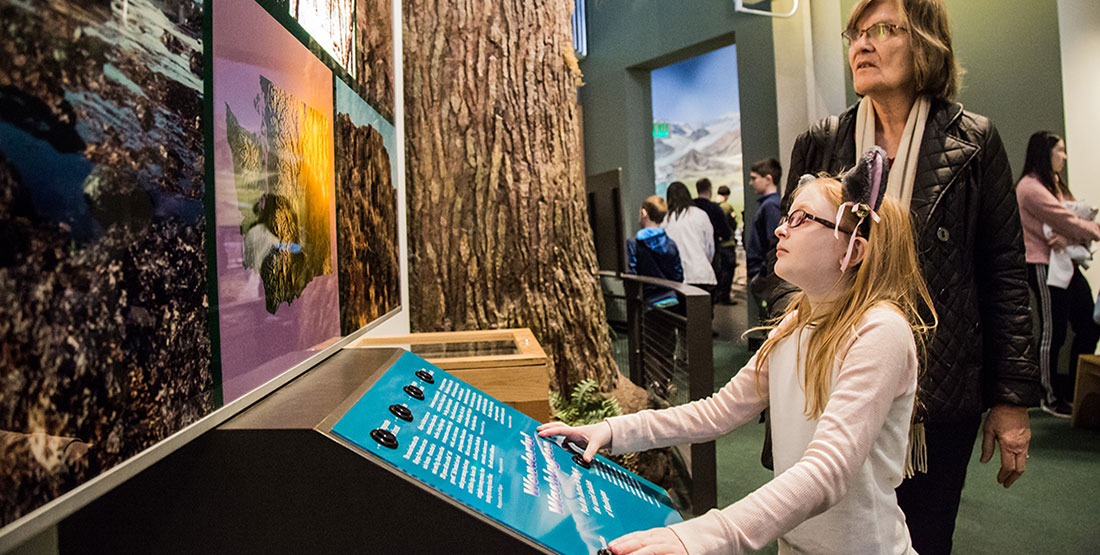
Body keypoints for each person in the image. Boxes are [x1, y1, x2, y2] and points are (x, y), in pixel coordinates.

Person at [540, 152, 935, 554]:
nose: (781, 230)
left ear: (851, 251)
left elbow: (828, 470)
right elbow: (719, 410)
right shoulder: (795, 321)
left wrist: (706, 535)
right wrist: (611, 431)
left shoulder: (879, 330)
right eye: (787, 217)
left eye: (801, 219)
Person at [760, 1, 1040, 552]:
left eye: (883, 30)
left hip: (934, 393)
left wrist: (1011, 400)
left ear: (926, 43)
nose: (862, 45)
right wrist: (783, 371)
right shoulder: (821, 140)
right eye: (856, 33)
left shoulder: (974, 143)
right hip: (828, 384)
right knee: (819, 534)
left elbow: (1004, 273)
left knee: (923, 538)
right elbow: (785, 272)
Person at [1016, 131, 1100, 418]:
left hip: (1065, 263)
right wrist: (1093, 231)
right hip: (1044, 265)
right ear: (1045, 153)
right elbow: (1065, 219)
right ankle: (1050, 396)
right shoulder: (1030, 187)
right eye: (1060, 151)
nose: (1064, 157)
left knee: (1090, 322)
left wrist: (1077, 231)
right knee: (1054, 331)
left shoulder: (1054, 185)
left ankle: (1077, 391)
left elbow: (1072, 219)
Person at [626, 195, 685, 308]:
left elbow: (631, 275)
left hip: (647, 302)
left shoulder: (634, 243)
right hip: (671, 300)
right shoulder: (671, 244)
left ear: (644, 213)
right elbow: (678, 276)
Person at [663, 181, 716, 294]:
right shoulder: (701, 215)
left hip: (677, 278)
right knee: (703, 311)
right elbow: (710, 246)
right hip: (702, 275)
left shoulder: (665, 220)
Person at [745, 158, 783, 306]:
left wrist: (760, 276)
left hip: (766, 279)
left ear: (768, 179)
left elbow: (773, 242)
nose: (751, 182)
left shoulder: (770, 206)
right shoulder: (770, 205)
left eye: (754, 178)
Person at [694, 178, 732, 303]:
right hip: (712, 253)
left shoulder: (691, 208)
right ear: (710, 189)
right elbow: (726, 232)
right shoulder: (715, 209)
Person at [714, 185, 738, 304]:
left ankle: (718, 296)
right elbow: (733, 224)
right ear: (727, 195)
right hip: (727, 244)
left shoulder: (713, 206)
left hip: (717, 245)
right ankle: (725, 297)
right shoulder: (727, 207)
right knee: (728, 271)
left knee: (719, 271)